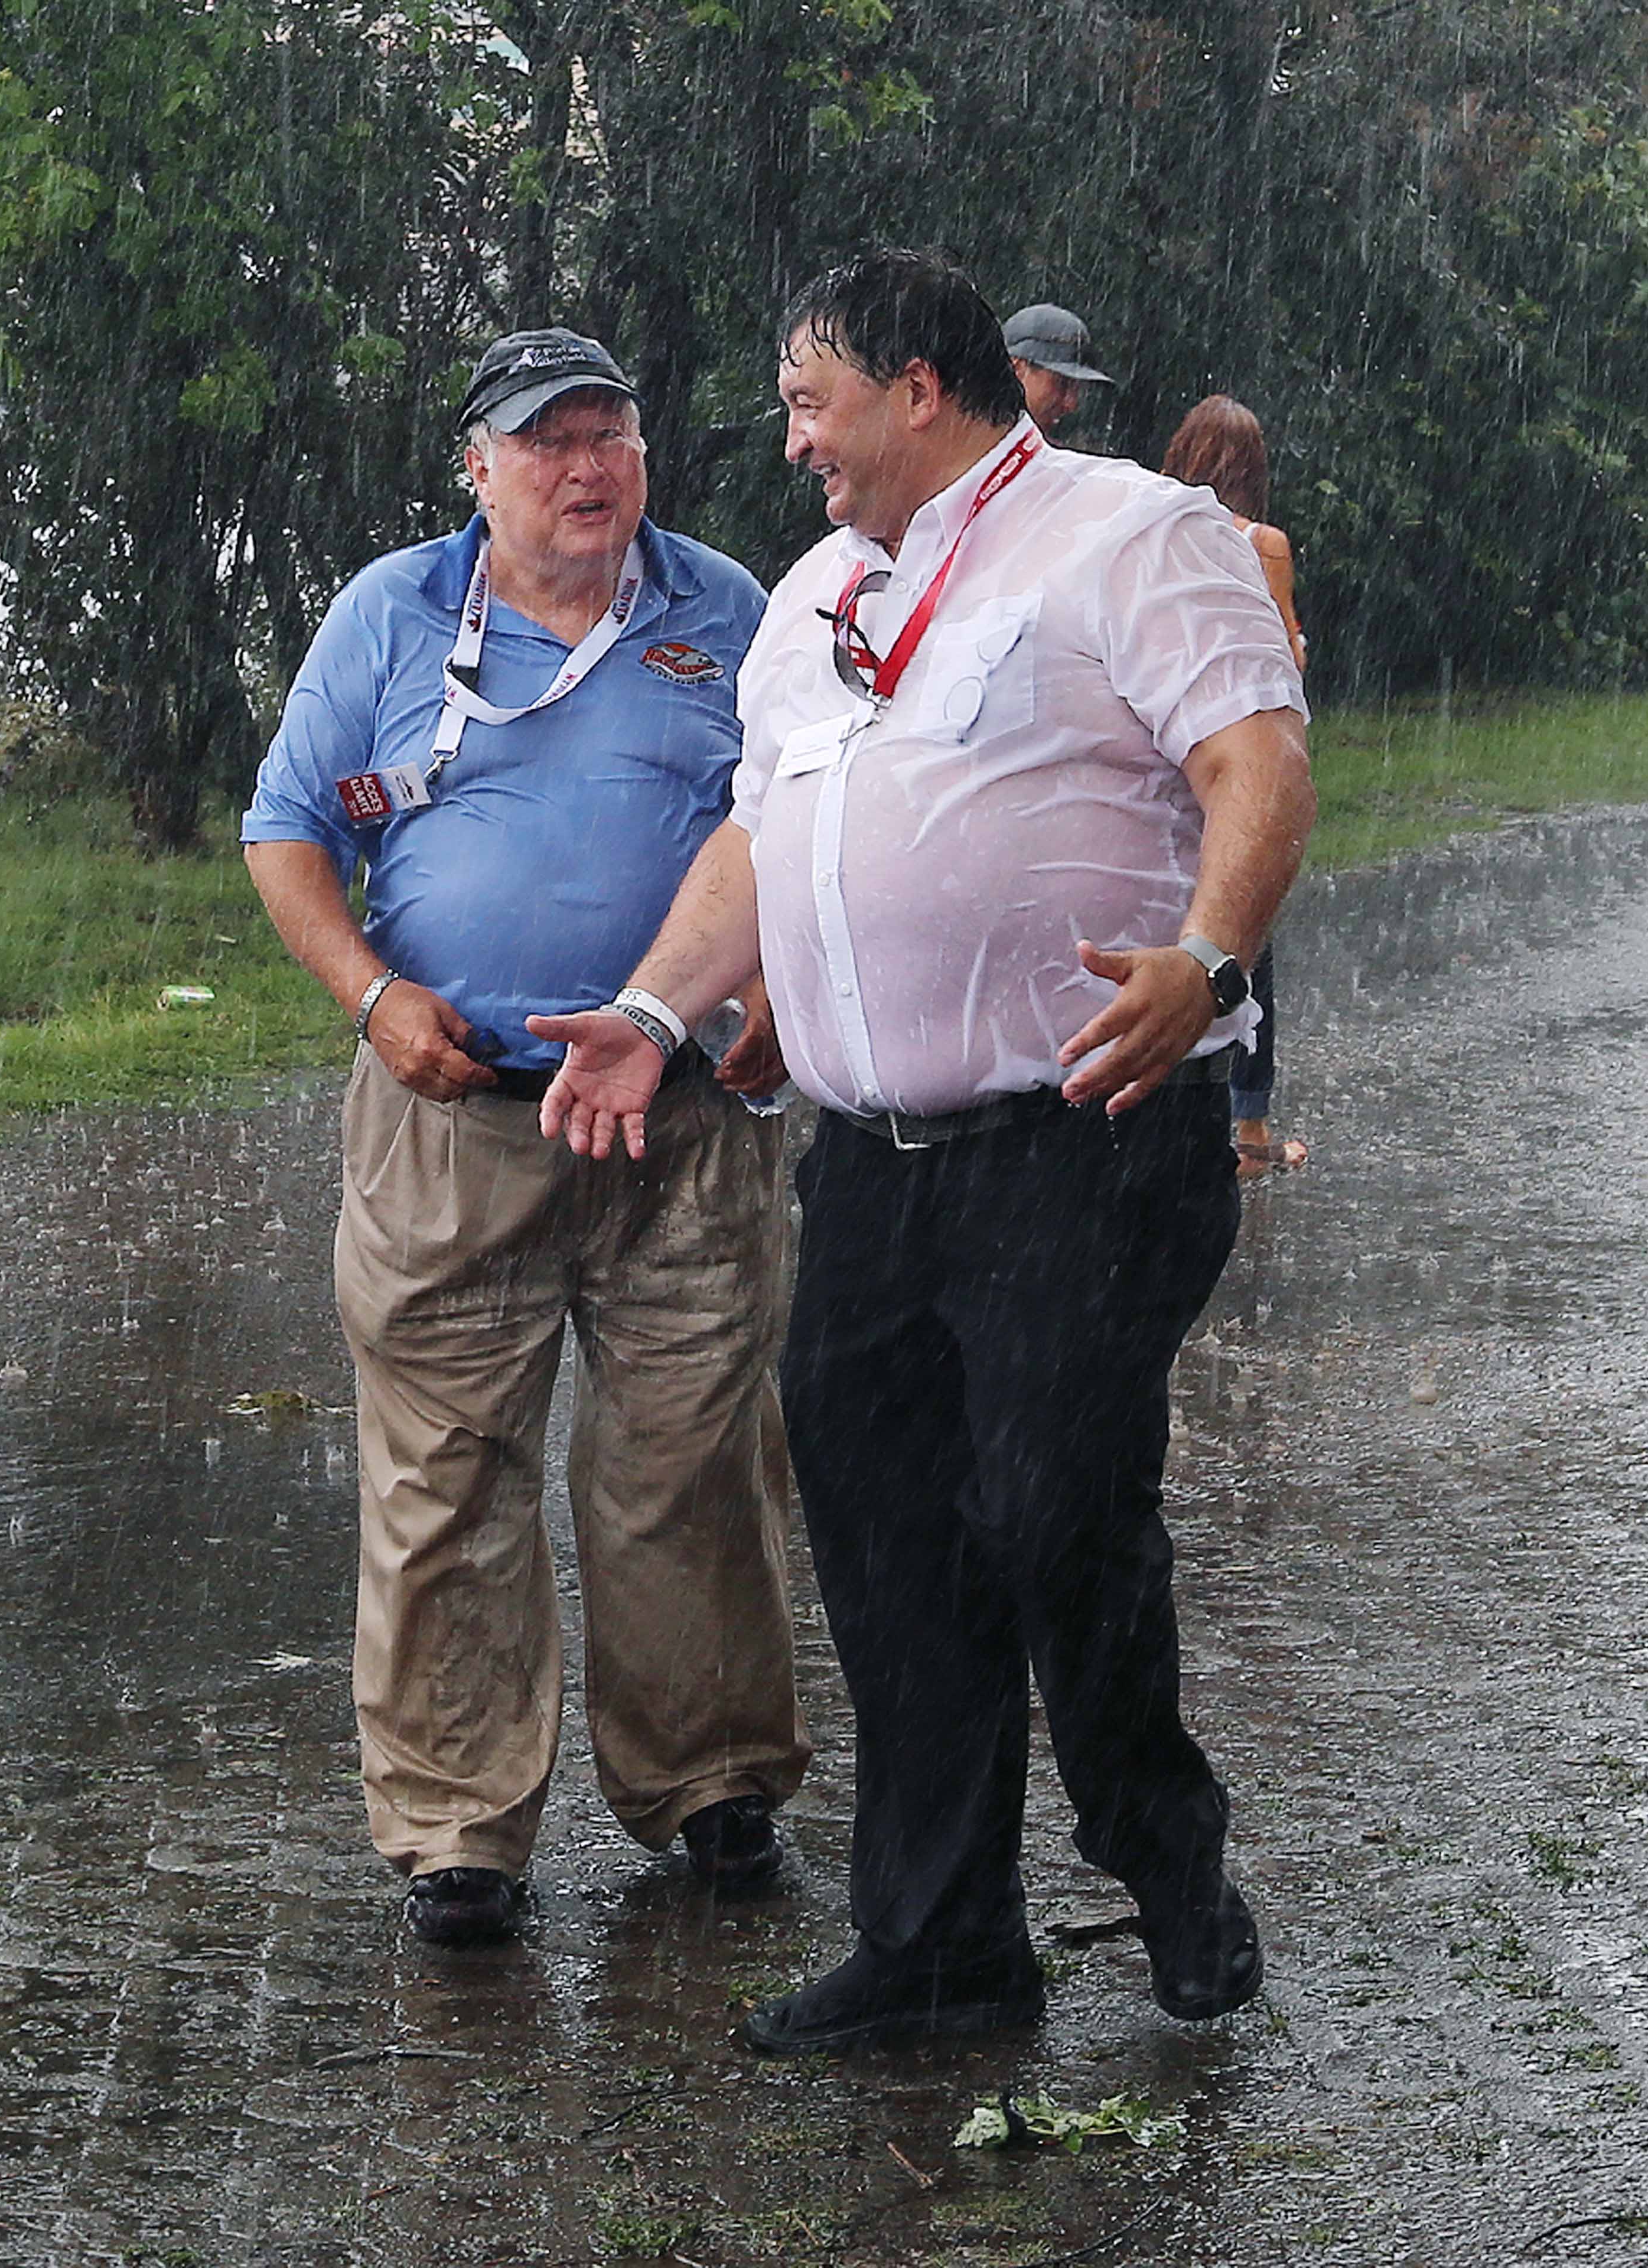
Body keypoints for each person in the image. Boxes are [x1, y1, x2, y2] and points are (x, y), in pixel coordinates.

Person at [532, 250, 1312, 2047]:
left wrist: (1208, 958)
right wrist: (658, 1010)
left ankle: (1161, 1845)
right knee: (887, 1539)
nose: (791, 435)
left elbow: (1256, 766)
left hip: (1087, 1132)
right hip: (870, 1160)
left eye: (812, 397)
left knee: (1050, 1511)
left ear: (918, 388)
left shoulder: (1132, 536)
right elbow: (758, 838)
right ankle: (947, 1939)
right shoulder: (812, 596)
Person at [240, 327, 813, 1948]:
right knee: (443, 1472)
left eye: (610, 435)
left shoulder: (732, 614)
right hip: (455, 1118)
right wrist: (368, 998)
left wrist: (770, 977)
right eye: (546, 441)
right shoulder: (390, 616)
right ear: (475, 467)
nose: (586, 469)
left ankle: (711, 1784)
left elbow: (806, 814)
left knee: (689, 1462)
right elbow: (285, 830)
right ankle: (457, 1828)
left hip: (687, 1122)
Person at [1161, 393, 1311, 1178]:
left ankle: (1161, 1106)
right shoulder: (1263, 544)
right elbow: (1281, 656)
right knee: (1245, 935)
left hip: (1167, 745)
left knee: (1170, 915)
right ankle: (1247, 1132)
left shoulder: (1153, 532)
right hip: (1241, 747)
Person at [1002, 301, 1109, 440]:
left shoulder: (1057, 458)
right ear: (1016, 370)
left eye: (1077, 389)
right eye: (1062, 384)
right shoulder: (969, 444)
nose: (1071, 404)